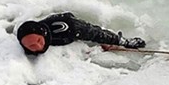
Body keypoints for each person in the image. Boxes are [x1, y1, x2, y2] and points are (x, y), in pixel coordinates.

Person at [17, 12, 146, 55]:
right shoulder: (30, 38)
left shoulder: (68, 29)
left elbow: (95, 33)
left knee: (91, 33)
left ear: (43, 35)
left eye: (39, 42)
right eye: (31, 46)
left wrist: (123, 42)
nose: (38, 48)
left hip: (72, 23)